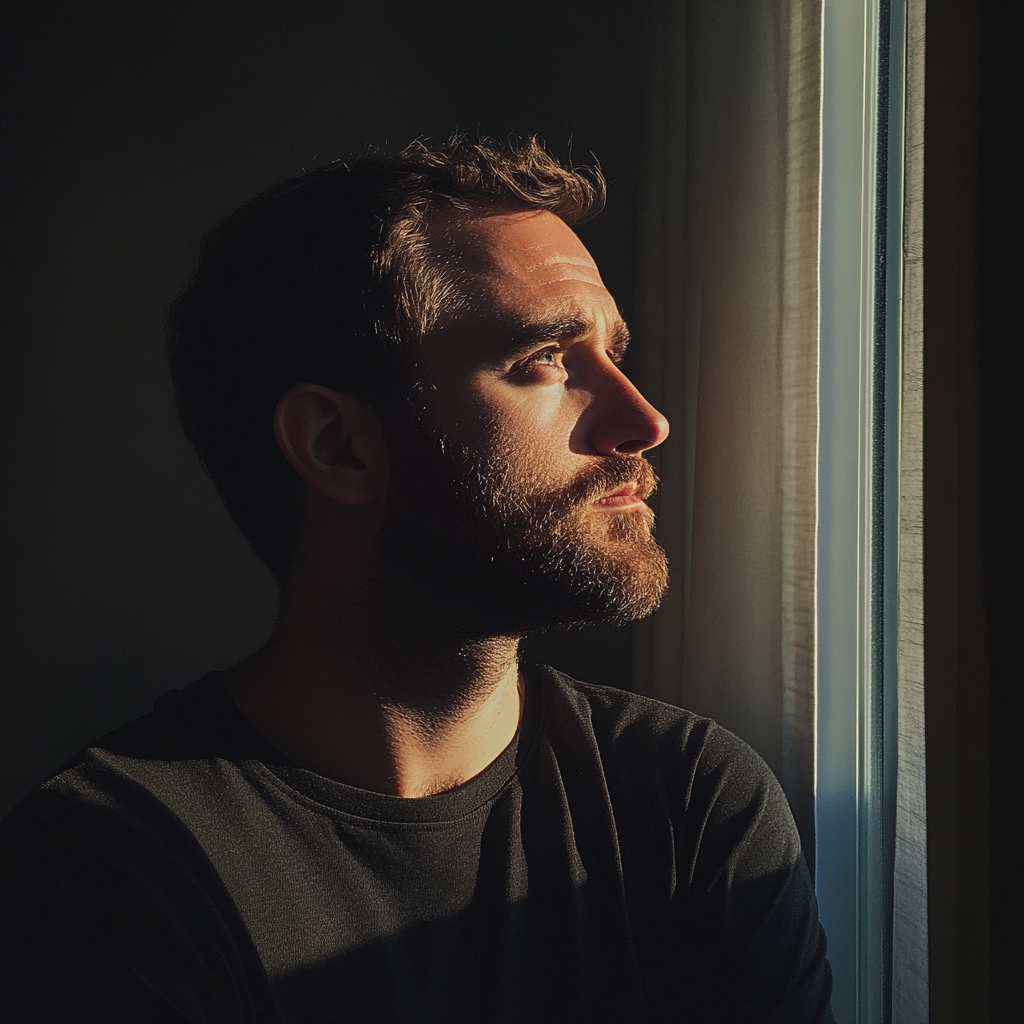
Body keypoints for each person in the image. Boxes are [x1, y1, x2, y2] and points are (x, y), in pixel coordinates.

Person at [0, 137, 834, 1023]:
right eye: (545, 359)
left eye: (613, 354)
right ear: (339, 446)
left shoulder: (685, 800)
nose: (644, 419)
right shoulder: (108, 869)